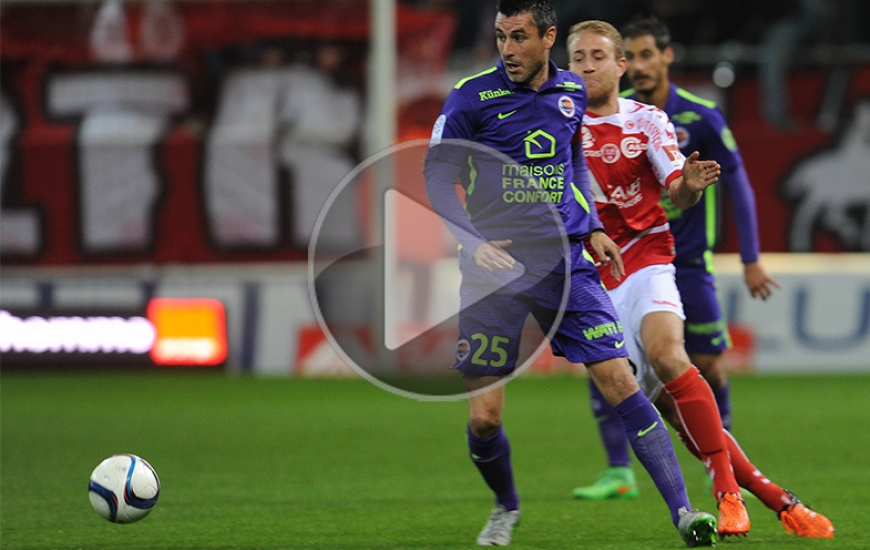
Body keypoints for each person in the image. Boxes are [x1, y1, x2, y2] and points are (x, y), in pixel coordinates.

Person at [424, 1, 718, 546]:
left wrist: (592, 225)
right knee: (485, 419)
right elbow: (437, 178)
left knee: (621, 381)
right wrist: (472, 240)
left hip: (565, 263)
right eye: (500, 37)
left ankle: (685, 513)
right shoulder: (470, 97)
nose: (508, 49)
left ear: (547, 38)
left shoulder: (571, 93)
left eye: (518, 37)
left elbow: (569, 161)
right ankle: (506, 505)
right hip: (494, 273)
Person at [565, 20, 834, 539]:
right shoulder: (555, 123)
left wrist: (687, 186)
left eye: (599, 56)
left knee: (672, 357)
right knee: (668, 410)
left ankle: (727, 495)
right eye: (578, 58)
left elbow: (677, 192)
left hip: (646, 259)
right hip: (586, 279)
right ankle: (777, 498)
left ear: (620, 66)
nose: (588, 66)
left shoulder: (648, 120)